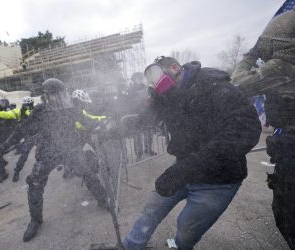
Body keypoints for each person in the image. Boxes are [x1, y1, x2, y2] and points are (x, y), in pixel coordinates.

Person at [123, 56, 261, 250]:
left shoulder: (214, 86)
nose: (155, 83)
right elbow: (148, 119)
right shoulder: (168, 96)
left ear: (175, 67)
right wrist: (116, 129)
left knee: (187, 229)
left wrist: (186, 169)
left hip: (218, 181)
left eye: (156, 75)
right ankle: (130, 246)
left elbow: (244, 130)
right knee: (152, 207)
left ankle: (179, 246)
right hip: (184, 168)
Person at [0, 79, 109, 242]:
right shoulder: (40, 110)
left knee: (88, 173)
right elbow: (23, 128)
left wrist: (104, 123)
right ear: (47, 96)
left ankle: (103, 200)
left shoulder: (71, 107)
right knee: (35, 184)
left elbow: (86, 121)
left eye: (61, 94)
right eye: (55, 95)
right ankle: (35, 220)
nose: (59, 98)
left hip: (70, 149)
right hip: (47, 152)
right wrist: (7, 143)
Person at [231, 5, 295, 249]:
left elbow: (240, 83)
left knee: (288, 214)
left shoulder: (282, 66)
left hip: (291, 146)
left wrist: (251, 54)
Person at [0, 96, 35, 182]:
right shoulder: (20, 111)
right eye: (26, 105)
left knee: (29, 153)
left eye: (29, 104)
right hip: (23, 132)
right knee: (22, 153)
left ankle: (16, 171)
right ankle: (16, 171)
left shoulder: (35, 111)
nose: (27, 106)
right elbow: (7, 114)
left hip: (33, 134)